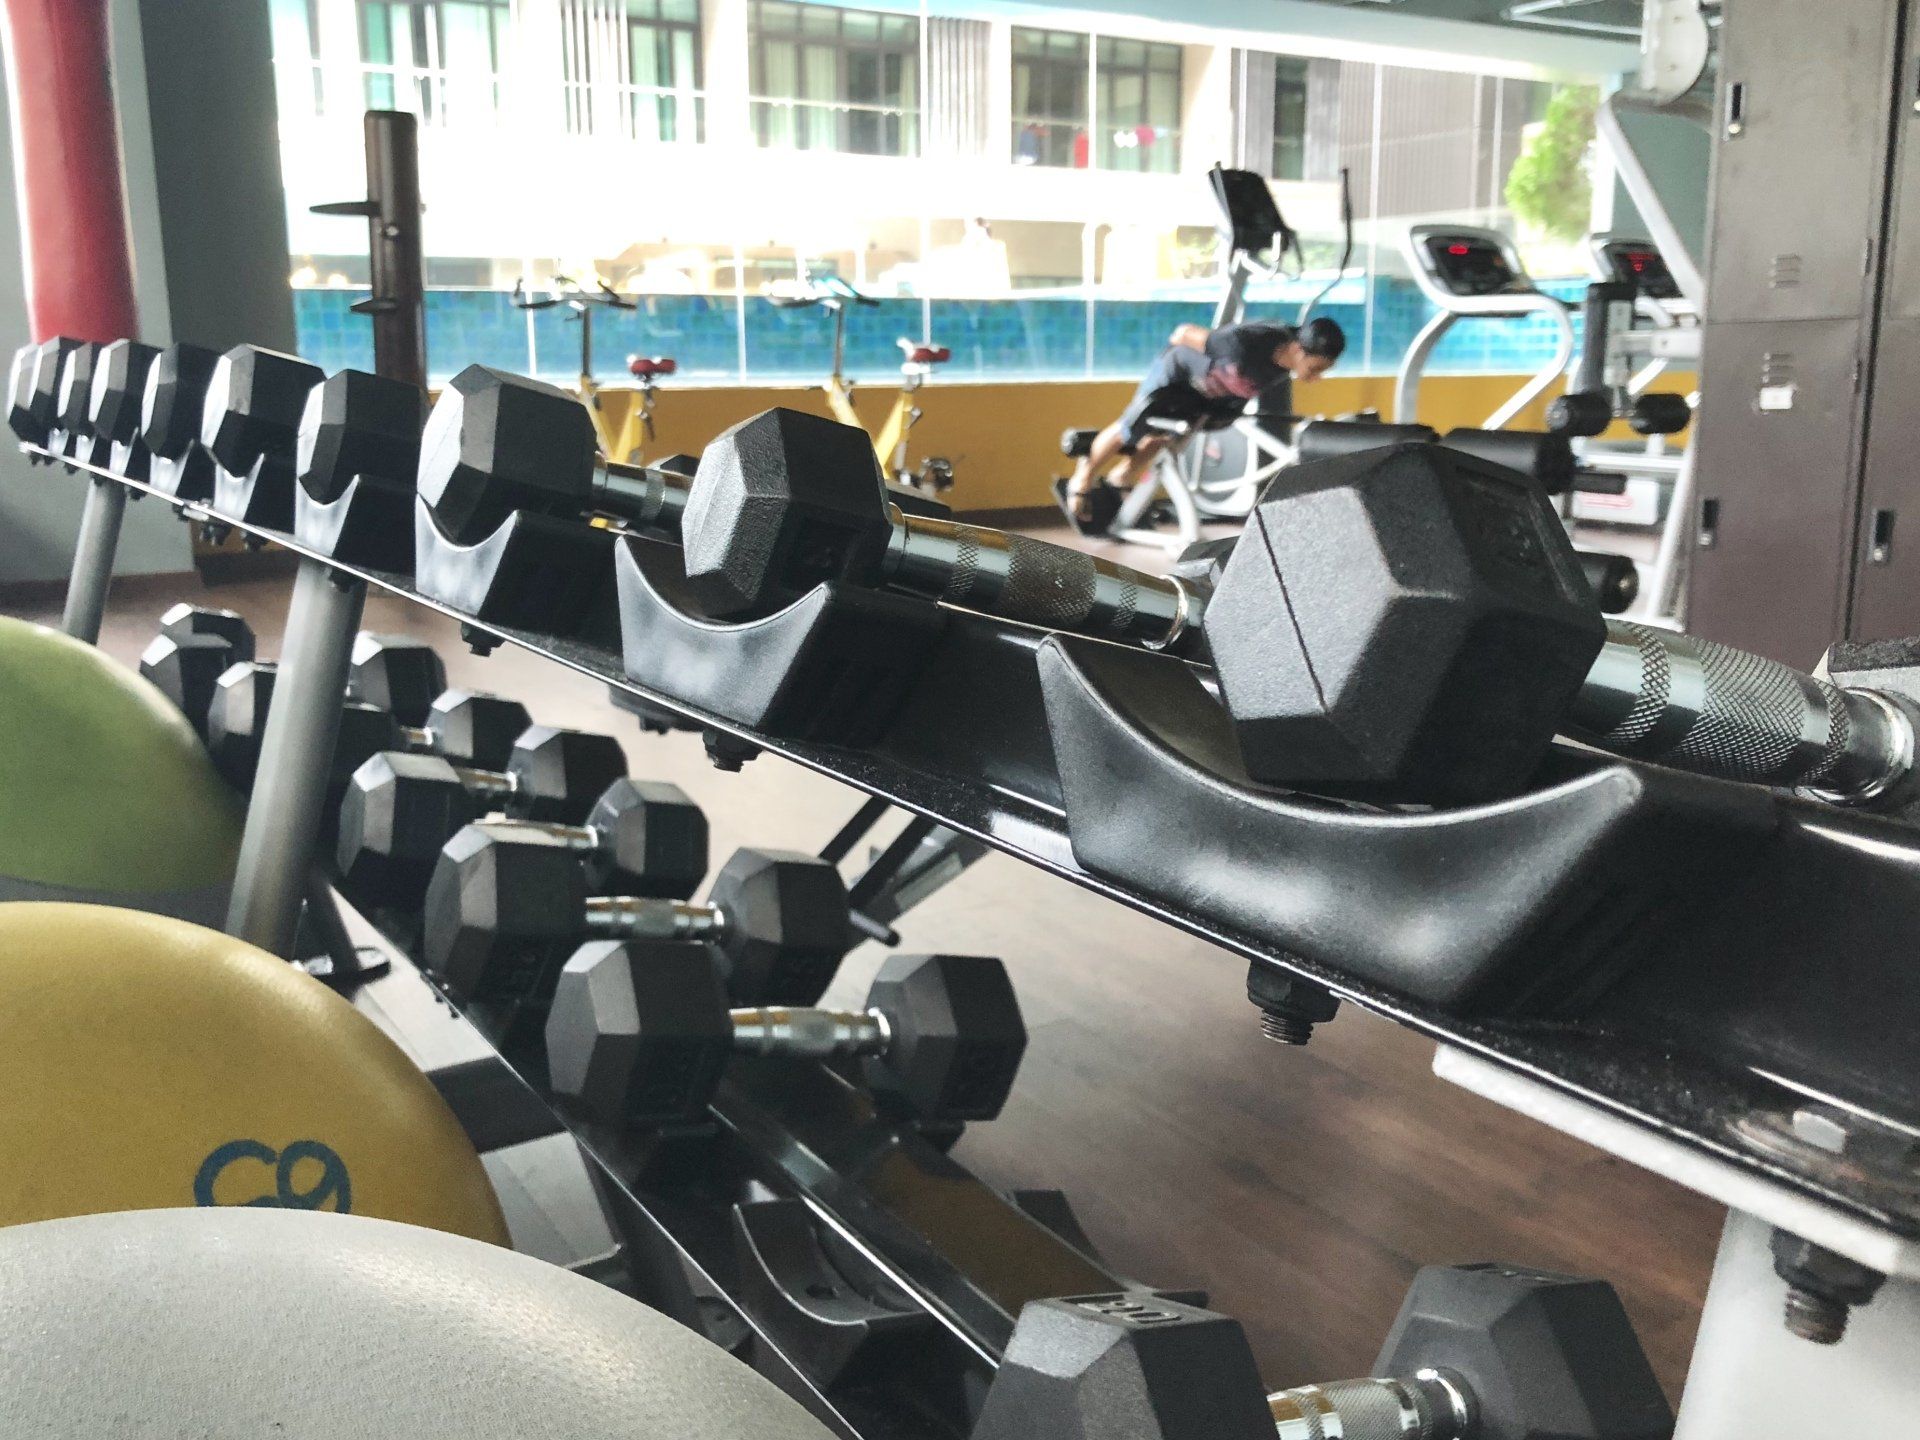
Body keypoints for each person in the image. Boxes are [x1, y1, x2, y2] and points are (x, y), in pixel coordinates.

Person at [1059, 316, 1347, 530]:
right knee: (1129, 429)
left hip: (1207, 396)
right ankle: (1082, 477)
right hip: (1177, 375)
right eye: (1315, 368)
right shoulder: (1245, 343)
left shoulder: (1285, 362)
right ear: (1298, 350)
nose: (1316, 377)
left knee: (1164, 438)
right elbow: (1182, 333)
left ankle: (1120, 478)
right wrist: (1165, 385)